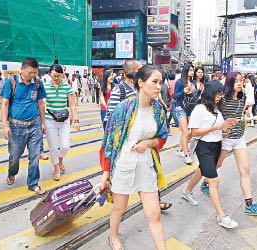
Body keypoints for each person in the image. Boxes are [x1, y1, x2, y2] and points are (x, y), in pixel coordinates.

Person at [99, 65, 168, 250]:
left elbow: (162, 138)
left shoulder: (159, 110)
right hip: (124, 165)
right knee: (119, 209)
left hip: (146, 165)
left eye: (160, 82)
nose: (158, 86)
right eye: (154, 82)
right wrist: (106, 173)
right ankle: (113, 236)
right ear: (141, 82)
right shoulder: (123, 108)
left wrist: (148, 143)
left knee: (154, 214)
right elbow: (109, 142)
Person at [200, 72, 257, 216]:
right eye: (236, 81)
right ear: (230, 82)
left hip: (239, 138)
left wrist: (251, 119)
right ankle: (206, 182)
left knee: (245, 170)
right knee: (217, 165)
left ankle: (249, 204)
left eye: (241, 81)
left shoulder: (242, 97)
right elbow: (212, 113)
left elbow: (240, 115)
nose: (240, 83)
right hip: (224, 138)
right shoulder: (223, 98)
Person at [181, 80, 239, 228]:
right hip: (204, 147)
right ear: (210, 93)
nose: (219, 97)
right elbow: (194, 132)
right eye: (217, 94)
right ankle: (222, 216)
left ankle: (186, 192)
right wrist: (215, 128)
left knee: (201, 170)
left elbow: (220, 129)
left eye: (221, 94)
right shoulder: (199, 109)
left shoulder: (216, 109)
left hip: (217, 145)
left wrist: (226, 129)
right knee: (213, 181)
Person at [0, 57, 47, 195]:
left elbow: (40, 103)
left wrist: (43, 122)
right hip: (16, 127)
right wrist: (4, 125)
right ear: (21, 69)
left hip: (34, 125)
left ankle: (33, 183)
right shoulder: (11, 82)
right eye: (29, 73)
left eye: (34, 73)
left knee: (34, 156)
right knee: (14, 156)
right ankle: (12, 172)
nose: (31, 76)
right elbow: (4, 103)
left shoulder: (37, 83)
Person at [44, 64, 80, 181]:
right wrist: (42, 122)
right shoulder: (45, 87)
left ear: (62, 75)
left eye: (58, 76)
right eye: (53, 76)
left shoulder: (67, 87)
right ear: (50, 74)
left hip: (64, 120)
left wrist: (76, 120)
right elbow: (41, 104)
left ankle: (60, 160)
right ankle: (56, 169)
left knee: (65, 145)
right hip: (50, 120)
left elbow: (72, 105)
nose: (56, 79)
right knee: (53, 147)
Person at [174, 63, 195, 164]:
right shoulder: (179, 82)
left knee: (189, 131)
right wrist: (184, 91)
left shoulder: (193, 82)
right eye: (190, 70)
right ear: (186, 71)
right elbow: (175, 96)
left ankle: (179, 149)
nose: (192, 72)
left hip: (190, 108)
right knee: (186, 132)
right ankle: (187, 155)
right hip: (181, 107)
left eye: (193, 70)